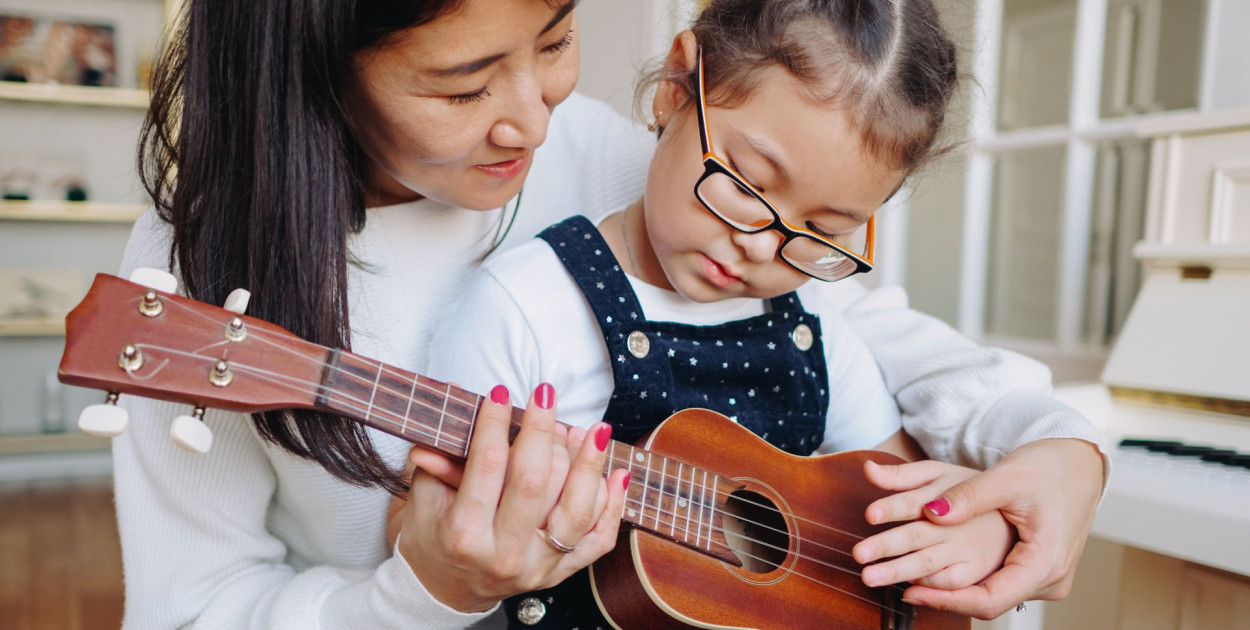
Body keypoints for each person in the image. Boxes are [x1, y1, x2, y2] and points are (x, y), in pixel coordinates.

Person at [114, 0, 1105, 627]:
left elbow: (863, 345)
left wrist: (1060, 450)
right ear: (311, 59)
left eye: (554, 37)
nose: (535, 120)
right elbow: (192, 613)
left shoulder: (643, 160)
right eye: (462, 88)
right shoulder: (200, 269)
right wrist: (424, 591)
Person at [423, 8, 1019, 622]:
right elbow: (424, 538)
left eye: (822, 229)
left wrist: (965, 534)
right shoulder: (526, 308)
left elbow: (897, 502)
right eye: (747, 184)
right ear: (676, 88)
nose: (761, 245)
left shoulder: (815, 329)